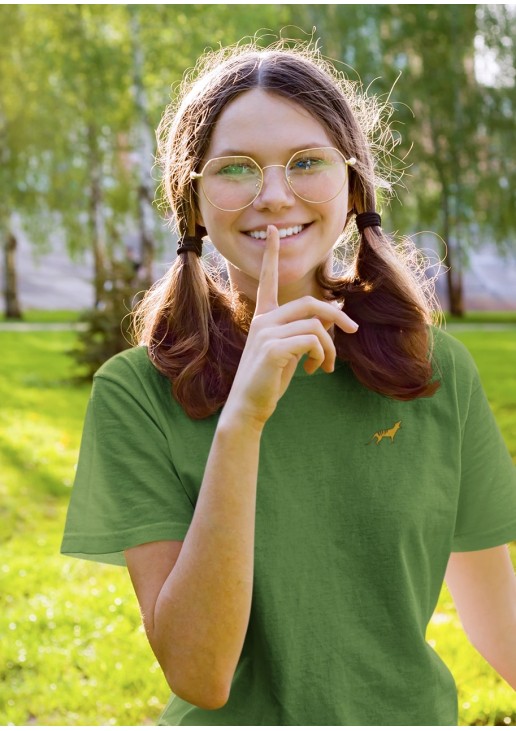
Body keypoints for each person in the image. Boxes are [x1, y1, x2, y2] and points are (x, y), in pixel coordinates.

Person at [61, 40, 516, 725]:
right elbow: (199, 672)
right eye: (236, 168)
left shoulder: (433, 369)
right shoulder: (137, 392)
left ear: (354, 184)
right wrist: (242, 419)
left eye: (307, 162)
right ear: (191, 202)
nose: (274, 196)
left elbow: (497, 612)